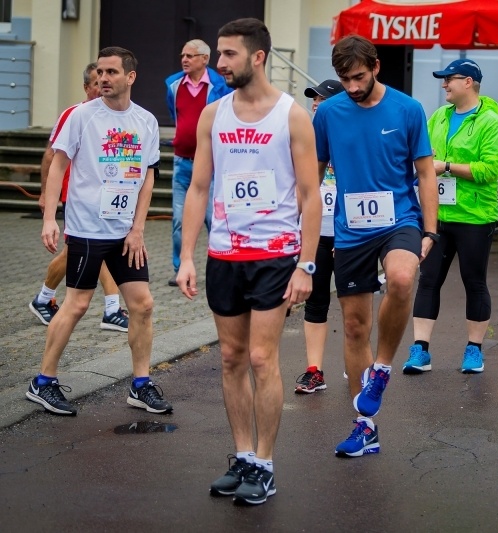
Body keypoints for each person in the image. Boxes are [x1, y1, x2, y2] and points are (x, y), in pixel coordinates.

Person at [176, 18, 321, 506]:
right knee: (232, 358)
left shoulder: (292, 115)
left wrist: (308, 264)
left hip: (276, 255)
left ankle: (265, 463)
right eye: (218, 54)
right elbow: (198, 187)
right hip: (225, 255)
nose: (219, 63)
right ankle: (242, 457)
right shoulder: (213, 115)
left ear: (257, 57)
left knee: (262, 358)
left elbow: (309, 193)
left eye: (229, 55)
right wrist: (187, 257)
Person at [26, 47, 171, 417]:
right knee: (76, 304)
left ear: (130, 77)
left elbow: (148, 176)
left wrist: (138, 228)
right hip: (87, 228)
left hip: (125, 233)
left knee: (142, 304)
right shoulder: (80, 116)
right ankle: (43, 382)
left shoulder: (146, 121)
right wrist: (49, 215)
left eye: (111, 72)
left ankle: (140, 384)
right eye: (101, 72)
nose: (104, 79)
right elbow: (58, 164)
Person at [312, 35, 437, 458]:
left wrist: (429, 230)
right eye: (344, 79)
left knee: (402, 278)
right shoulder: (328, 113)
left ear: (376, 66)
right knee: (353, 327)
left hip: (399, 219)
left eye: (359, 77)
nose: (351, 86)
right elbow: (313, 178)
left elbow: (424, 174)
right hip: (350, 230)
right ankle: (364, 427)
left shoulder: (408, 109)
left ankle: (380, 369)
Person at [404, 58, 498, 375]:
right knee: (428, 280)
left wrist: (446, 167)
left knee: (473, 281)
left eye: (449, 79)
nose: (443, 84)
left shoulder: (492, 123)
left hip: (475, 216)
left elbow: (493, 168)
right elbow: (420, 157)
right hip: (436, 213)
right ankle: (420, 350)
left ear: (468, 82)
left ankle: (474, 350)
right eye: (443, 79)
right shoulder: (438, 117)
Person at [29, 62, 130, 333]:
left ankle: (42, 299)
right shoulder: (74, 114)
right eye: (98, 82)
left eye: (108, 78)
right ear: (87, 87)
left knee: (83, 249)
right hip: (76, 195)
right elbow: (52, 155)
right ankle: (110, 309)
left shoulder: (115, 115)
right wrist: (45, 196)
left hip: (105, 194)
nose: (103, 86)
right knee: (92, 248)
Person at [165, 39, 233, 287]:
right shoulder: (173, 85)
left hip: (212, 164)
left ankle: (221, 268)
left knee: (213, 220)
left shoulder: (220, 85)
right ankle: (180, 268)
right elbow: (176, 115)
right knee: (179, 220)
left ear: (204, 59)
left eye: (190, 56)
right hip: (182, 162)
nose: (184, 59)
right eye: (183, 55)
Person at [294, 79, 345, 394]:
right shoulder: (305, 139)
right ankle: (314, 370)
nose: (316, 103)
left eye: (322, 99)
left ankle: (359, 366)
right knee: (315, 302)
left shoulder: (350, 138)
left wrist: (348, 231)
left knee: (354, 305)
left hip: (348, 236)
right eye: (314, 99)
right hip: (315, 235)